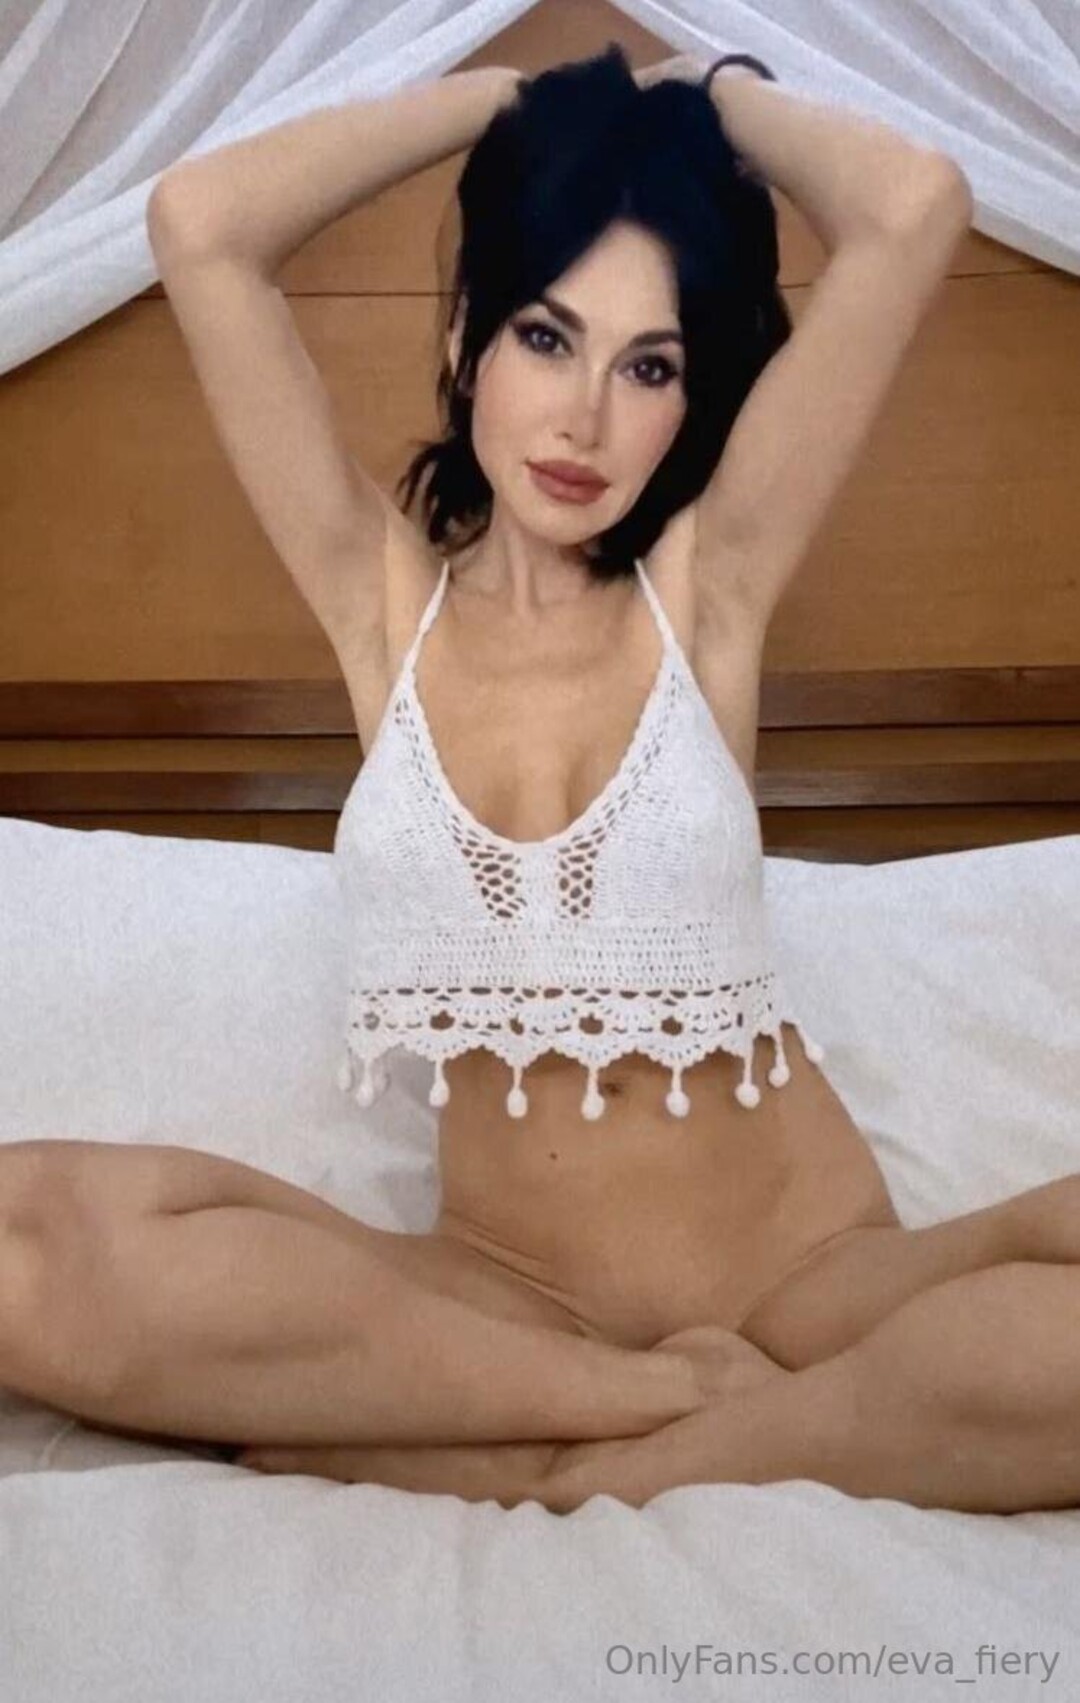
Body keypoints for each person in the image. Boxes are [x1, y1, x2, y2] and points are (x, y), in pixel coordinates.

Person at [11, 45, 1080, 1516]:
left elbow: (913, 204)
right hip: (500, 1301)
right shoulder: (380, 609)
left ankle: (604, 1459)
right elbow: (200, 225)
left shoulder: (711, 586)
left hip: (811, 1287)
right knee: (25, 1248)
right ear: (466, 337)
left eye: (649, 366)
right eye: (544, 334)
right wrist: (499, 102)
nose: (585, 417)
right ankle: (661, 1409)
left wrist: (701, 94)